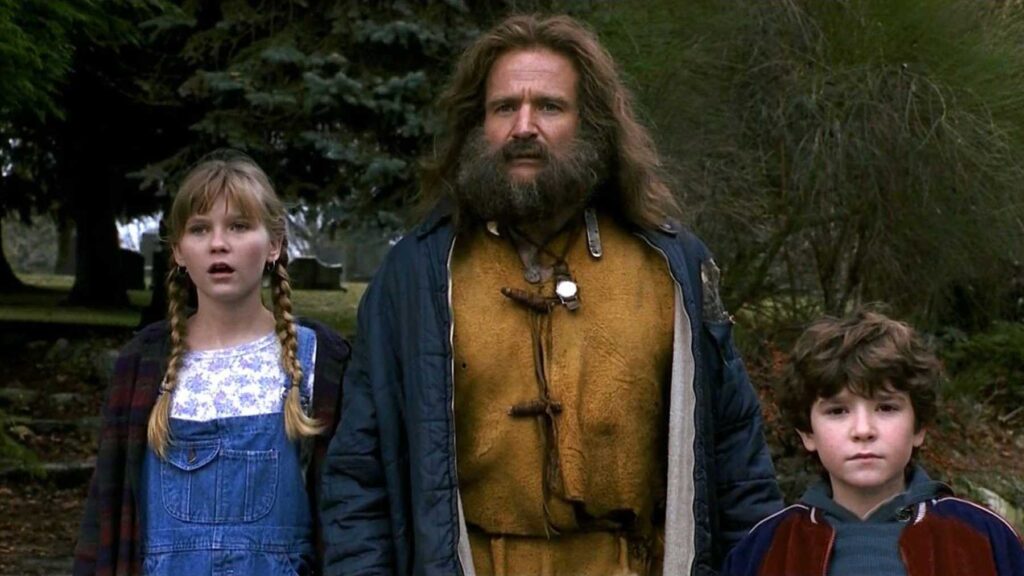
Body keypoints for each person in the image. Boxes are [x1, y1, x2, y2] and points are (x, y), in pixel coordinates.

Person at [320, 14, 782, 576]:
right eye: (503, 108)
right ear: (477, 125)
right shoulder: (417, 275)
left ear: (591, 124)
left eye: (549, 107)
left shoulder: (671, 267)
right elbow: (361, 474)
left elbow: (736, 463)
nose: (524, 126)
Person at [73, 152, 350, 575]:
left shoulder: (319, 360)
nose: (218, 243)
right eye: (200, 229)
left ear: (274, 244)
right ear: (179, 251)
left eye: (239, 226)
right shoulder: (143, 364)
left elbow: (349, 516)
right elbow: (106, 513)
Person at [722, 310, 1024, 576]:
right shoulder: (767, 547)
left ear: (919, 427)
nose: (863, 430)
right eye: (837, 411)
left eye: (886, 408)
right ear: (808, 433)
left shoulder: (983, 537)